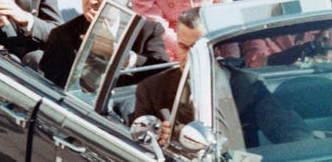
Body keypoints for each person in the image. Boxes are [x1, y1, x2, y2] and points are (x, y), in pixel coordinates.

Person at [133, 8, 313, 147]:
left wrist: (303, 144)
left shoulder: (246, 85)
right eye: (183, 47)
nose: (189, 56)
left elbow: (285, 126)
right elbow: (140, 142)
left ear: (217, 49)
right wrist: (158, 140)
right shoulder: (151, 89)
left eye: (197, 49)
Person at [40, 0, 169, 87]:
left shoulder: (146, 30)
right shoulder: (62, 36)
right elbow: (57, 90)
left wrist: (118, 54)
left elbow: (162, 74)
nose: (92, 0)